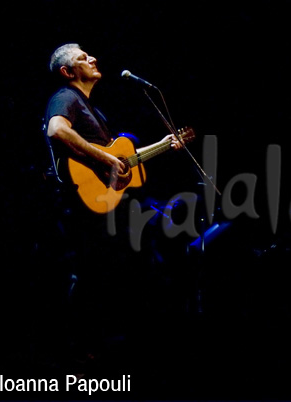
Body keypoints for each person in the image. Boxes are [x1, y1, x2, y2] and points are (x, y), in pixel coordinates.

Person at [38, 43, 183, 374]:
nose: (92, 58)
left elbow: (121, 159)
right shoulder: (66, 97)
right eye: (82, 58)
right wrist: (105, 159)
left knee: (109, 274)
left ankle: (108, 343)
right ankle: (78, 352)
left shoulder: (92, 109)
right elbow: (57, 130)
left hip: (105, 208)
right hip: (82, 207)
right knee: (90, 276)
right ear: (67, 71)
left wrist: (162, 146)